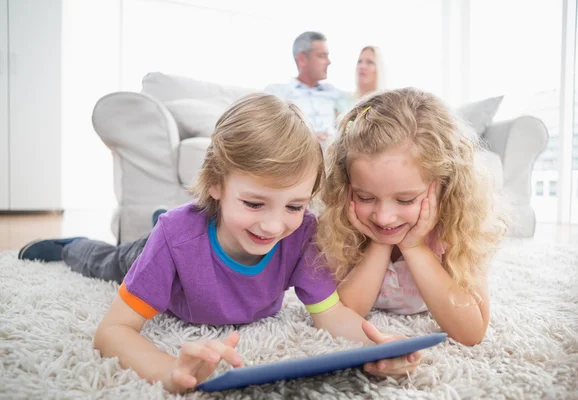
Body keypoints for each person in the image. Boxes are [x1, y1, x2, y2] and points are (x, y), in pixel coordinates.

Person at [19, 94, 422, 393]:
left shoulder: (302, 234)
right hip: (156, 245)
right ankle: (69, 246)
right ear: (215, 183)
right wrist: (168, 369)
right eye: (253, 202)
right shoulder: (176, 238)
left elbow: (331, 315)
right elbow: (112, 332)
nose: (272, 223)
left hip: (194, 226)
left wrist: (378, 345)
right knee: (105, 262)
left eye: (294, 205)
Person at [317, 88, 507, 347]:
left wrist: (414, 247)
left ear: (446, 185)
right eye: (365, 197)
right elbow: (342, 315)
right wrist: (380, 244)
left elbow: (471, 333)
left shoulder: (456, 232)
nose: (384, 218)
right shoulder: (345, 227)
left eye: (405, 200)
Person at [265, 31, 343, 148]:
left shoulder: (333, 93)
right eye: (322, 56)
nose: (329, 62)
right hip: (299, 151)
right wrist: (306, 138)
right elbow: (269, 131)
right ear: (302, 59)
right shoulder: (278, 93)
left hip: (335, 153)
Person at [337, 46, 387, 115]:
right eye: (359, 61)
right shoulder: (342, 103)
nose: (362, 66)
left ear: (379, 68)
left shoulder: (387, 105)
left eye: (370, 62)